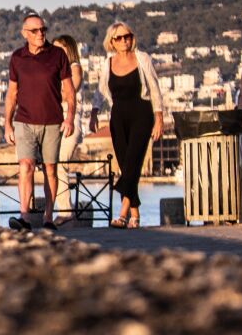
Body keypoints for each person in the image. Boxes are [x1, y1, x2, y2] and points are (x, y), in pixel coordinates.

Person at [3, 14, 74, 231]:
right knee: (26, 166)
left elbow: (69, 90)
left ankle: (48, 217)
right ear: (25, 34)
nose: (40, 34)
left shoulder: (58, 55)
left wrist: (70, 116)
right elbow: (12, 93)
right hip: (24, 121)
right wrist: (7, 123)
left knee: (50, 169)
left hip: (52, 121)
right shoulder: (17, 58)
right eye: (35, 31)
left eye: (43, 29)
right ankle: (24, 216)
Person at [98, 21, 164, 228]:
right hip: (118, 116)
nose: (124, 40)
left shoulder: (142, 58)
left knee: (133, 162)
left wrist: (159, 117)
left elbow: (154, 88)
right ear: (112, 42)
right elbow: (99, 92)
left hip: (141, 114)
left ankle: (123, 214)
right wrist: (93, 113)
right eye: (119, 38)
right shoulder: (107, 63)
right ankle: (135, 216)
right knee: (126, 164)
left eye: (127, 36)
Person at [51, 35, 85, 223]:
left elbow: (68, 93)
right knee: (52, 164)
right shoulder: (56, 70)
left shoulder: (74, 68)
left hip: (70, 120)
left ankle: (65, 211)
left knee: (59, 163)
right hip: (54, 120)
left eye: (60, 48)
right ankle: (59, 210)